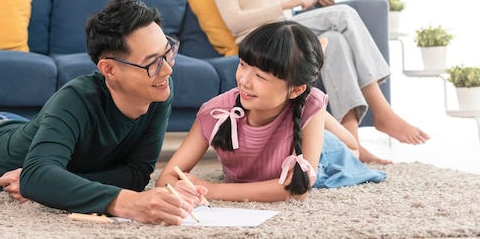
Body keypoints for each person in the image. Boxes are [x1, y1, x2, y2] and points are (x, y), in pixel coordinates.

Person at [0, 0, 205, 225]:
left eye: (168, 53)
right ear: (109, 70)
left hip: (16, 127)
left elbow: (135, 174)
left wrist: (46, 182)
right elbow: (42, 175)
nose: (167, 70)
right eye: (152, 63)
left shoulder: (159, 88)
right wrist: (127, 203)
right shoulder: (78, 97)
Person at [212, 0, 429, 164]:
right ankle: (382, 111)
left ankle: (352, 141)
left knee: (334, 39)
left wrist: (319, 0)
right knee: (344, 15)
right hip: (260, 40)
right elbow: (235, 21)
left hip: (286, 35)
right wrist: (287, 3)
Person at [156, 21, 386, 202]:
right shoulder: (215, 112)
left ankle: (317, 109)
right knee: (311, 106)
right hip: (294, 106)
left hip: (322, 152)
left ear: (294, 89)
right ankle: (314, 104)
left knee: (352, 148)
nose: (244, 81)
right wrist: (176, 187)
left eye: (260, 76)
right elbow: (168, 176)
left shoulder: (303, 105)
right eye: (243, 65)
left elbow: (297, 189)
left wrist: (214, 190)